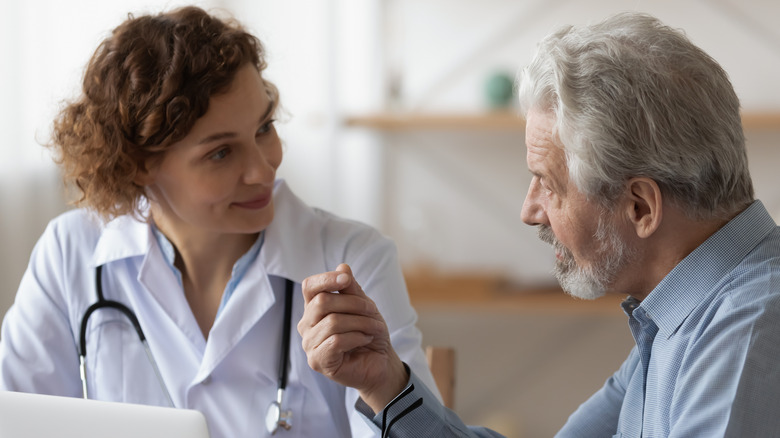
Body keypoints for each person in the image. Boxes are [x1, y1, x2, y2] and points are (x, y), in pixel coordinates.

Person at [297, 11, 780, 438]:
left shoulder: (751, 332)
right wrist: (385, 384)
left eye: (548, 184)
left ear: (640, 207)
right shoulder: (682, 317)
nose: (529, 211)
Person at [0, 6, 441, 438]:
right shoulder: (69, 254)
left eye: (264, 128)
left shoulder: (351, 259)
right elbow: (14, 420)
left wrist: (385, 389)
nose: (264, 169)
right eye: (221, 152)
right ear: (136, 165)